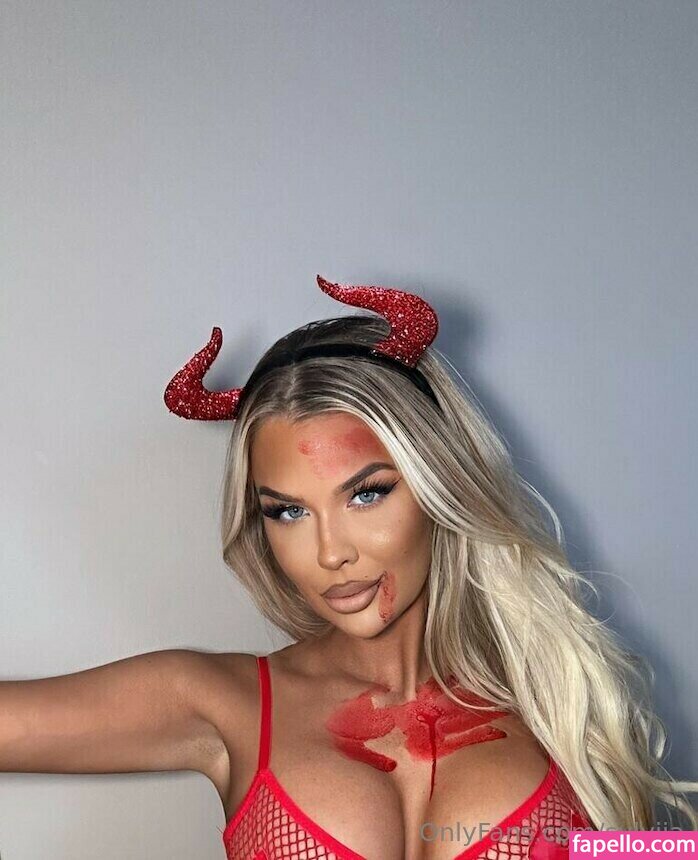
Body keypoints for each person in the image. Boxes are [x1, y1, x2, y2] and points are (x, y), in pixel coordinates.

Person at [1, 276, 695, 860]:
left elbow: (660, 850)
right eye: (287, 512)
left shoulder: (564, 700)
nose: (331, 552)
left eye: (367, 494)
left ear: (438, 483)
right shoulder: (220, 704)